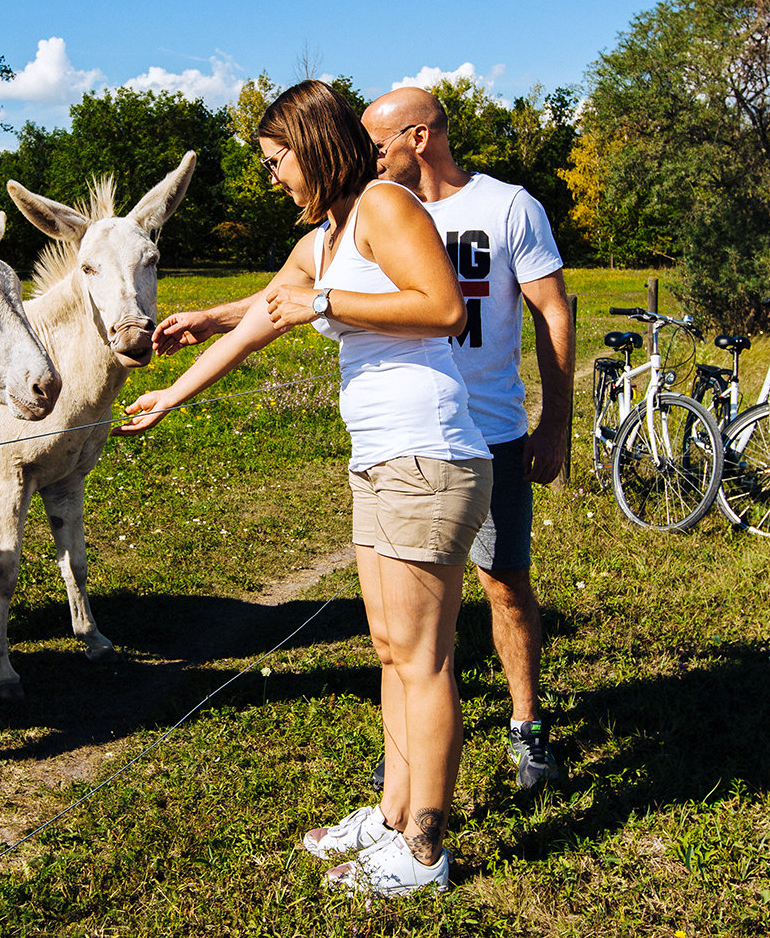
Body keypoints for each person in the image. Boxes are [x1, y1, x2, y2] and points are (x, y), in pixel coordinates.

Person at [116, 80, 491, 896]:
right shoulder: (327, 235)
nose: (273, 174)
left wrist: (320, 300)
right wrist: (178, 383)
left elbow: (444, 309)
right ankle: (393, 815)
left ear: (312, 145)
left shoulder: (387, 208)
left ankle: (425, 851)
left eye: (278, 158)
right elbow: (264, 311)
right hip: (382, 460)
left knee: (422, 661)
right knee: (390, 651)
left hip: (428, 456)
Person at [154, 86, 574, 789]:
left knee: (500, 588)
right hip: (393, 446)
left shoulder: (495, 207)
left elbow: (541, 311)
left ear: (417, 137)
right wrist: (207, 328)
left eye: (380, 143)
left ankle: (519, 729)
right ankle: (407, 775)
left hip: (477, 428)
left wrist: (554, 422)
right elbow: (281, 300)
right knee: (401, 645)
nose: (371, 155)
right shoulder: (344, 223)